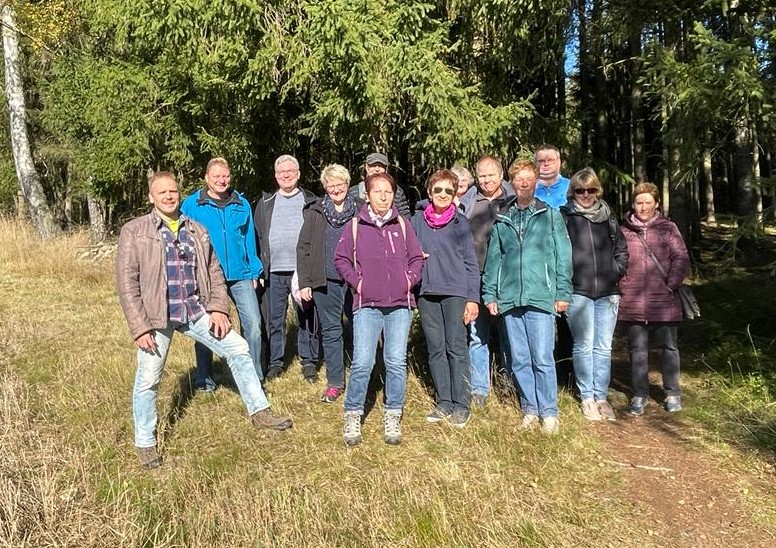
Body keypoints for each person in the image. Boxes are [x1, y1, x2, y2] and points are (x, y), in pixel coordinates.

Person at [116, 172, 291, 470]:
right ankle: (145, 442)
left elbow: (214, 272)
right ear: (151, 197)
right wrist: (139, 327)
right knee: (148, 380)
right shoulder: (135, 231)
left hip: (194, 311)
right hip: (156, 317)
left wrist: (220, 309)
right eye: (163, 193)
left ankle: (260, 411)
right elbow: (126, 282)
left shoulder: (196, 229)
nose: (169, 196)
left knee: (238, 349)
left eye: (173, 191)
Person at [482, 160, 572, 435]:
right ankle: (529, 409)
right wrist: (490, 293)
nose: (523, 183)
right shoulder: (503, 217)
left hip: (540, 296)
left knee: (542, 356)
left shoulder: (550, 214)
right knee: (519, 358)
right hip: (510, 297)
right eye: (519, 179)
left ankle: (549, 412)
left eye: (528, 179)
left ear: (535, 183)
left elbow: (562, 255)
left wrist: (562, 291)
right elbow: (494, 259)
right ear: (512, 182)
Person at [334, 172, 424, 446]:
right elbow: (340, 260)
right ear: (367, 195)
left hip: (399, 306)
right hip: (367, 305)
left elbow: (417, 258)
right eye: (377, 192)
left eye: (388, 192)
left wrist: (407, 281)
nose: (383, 197)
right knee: (363, 361)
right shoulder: (355, 226)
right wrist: (359, 284)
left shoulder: (403, 225)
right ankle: (352, 413)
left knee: (395, 361)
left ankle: (393, 413)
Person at [180, 158, 264, 391]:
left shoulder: (242, 204)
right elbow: (183, 239)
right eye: (216, 176)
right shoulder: (191, 205)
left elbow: (249, 240)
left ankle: (254, 377)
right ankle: (204, 379)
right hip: (205, 275)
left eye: (225, 176)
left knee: (254, 325)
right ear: (206, 178)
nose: (221, 180)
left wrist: (254, 269)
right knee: (206, 327)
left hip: (241, 274)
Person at [411, 169, 480, 427]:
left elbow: (471, 264)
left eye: (448, 191)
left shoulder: (460, 222)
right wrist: (415, 256)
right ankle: (444, 402)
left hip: (455, 293)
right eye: (437, 190)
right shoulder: (416, 221)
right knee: (436, 348)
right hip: (427, 292)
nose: (442, 194)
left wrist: (473, 299)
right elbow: (405, 252)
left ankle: (462, 404)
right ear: (429, 192)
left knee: (456, 347)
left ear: (455, 195)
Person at [560, 168, 629, 421]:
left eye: (590, 190)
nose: (585, 195)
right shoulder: (565, 216)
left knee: (603, 347)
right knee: (584, 345)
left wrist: (616, 271)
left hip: (608, 292)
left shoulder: (607, 215)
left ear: (597, 190)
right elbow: (557, 252)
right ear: (573, 192)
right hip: (578, 292)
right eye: (580, 190)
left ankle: (601, 397)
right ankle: (587, 397)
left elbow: (621, 248)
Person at [619, 182, 690, 415]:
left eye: (648, 202)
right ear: (633, 204)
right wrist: (622, 285)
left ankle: (672, 393)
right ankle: (640, 394)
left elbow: (680, 257)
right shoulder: (624, 230)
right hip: (632, 299)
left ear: (656, 204)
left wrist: (671, 284)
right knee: (637, 349)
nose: (643, 207)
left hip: (664, 300)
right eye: (639, 202)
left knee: (669, 348)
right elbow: (616, 260)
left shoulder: (668, 228)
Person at [297, 164, 361, 403]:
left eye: (340, 184)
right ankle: (335, 382)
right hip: (325, 281)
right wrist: (305, 281)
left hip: (356, 282)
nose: (336, 189)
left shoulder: (361, 211)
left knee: (360, 328)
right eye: (330, 185)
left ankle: (361, 376)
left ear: (347, 184)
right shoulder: (315, 212)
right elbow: (303, 248)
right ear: (325, 187)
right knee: (332, 331)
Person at [254, 154, 320, 382]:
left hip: (302, 271)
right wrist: (259, 268)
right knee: (275, 319)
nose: (285, 175)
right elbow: (257, 237)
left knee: (306, 316)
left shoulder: (311, 201)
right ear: (275, 176)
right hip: (273, 271)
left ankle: (309, 361)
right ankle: (275, 363)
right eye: (281, 172)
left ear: (298, 174)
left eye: (290, 171)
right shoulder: (264, 204)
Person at [458, 155, 514, 408]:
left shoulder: (513, 201)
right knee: (477, 335)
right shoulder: (467, 202)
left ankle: (509, 383)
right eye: (482, 175)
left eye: (491, 174)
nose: (487, 180)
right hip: (475, 277)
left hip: (507, 279)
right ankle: (480, 388)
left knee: (509, 334)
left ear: (501, 175)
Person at [347, 152, 411, 218]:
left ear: (386, 169)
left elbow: (405, 215)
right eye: (373, 165)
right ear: (367, 168)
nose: (377, 169)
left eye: (380, 166)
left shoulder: (397, 191)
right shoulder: (354, 191)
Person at [533, 144, 570, 208]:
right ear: (535, 163)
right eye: (541, 161)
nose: (546, 164)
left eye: (551, 160)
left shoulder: (572, 186)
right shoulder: (527, 188)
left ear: (559, 162)